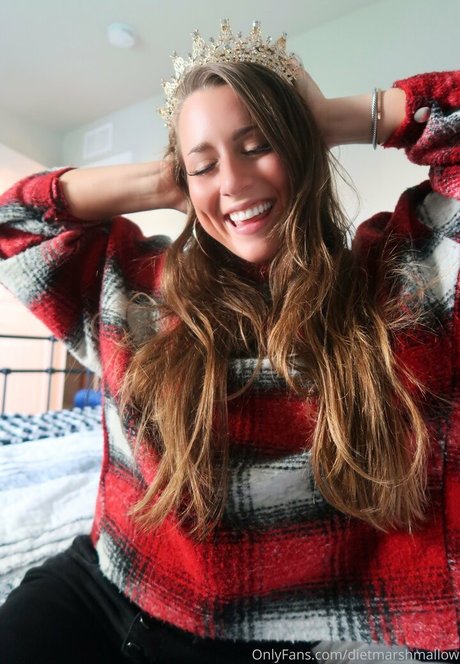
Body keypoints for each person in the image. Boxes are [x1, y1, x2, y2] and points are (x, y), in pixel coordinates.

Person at [0, 19, 458, 664]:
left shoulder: (398, 286)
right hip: (102, 585)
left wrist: (329, 120)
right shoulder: (137, 285)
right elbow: (12, 225)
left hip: (252, 638)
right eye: (205, 165)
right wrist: (168, 181)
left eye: (259, 145)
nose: (234, 183)